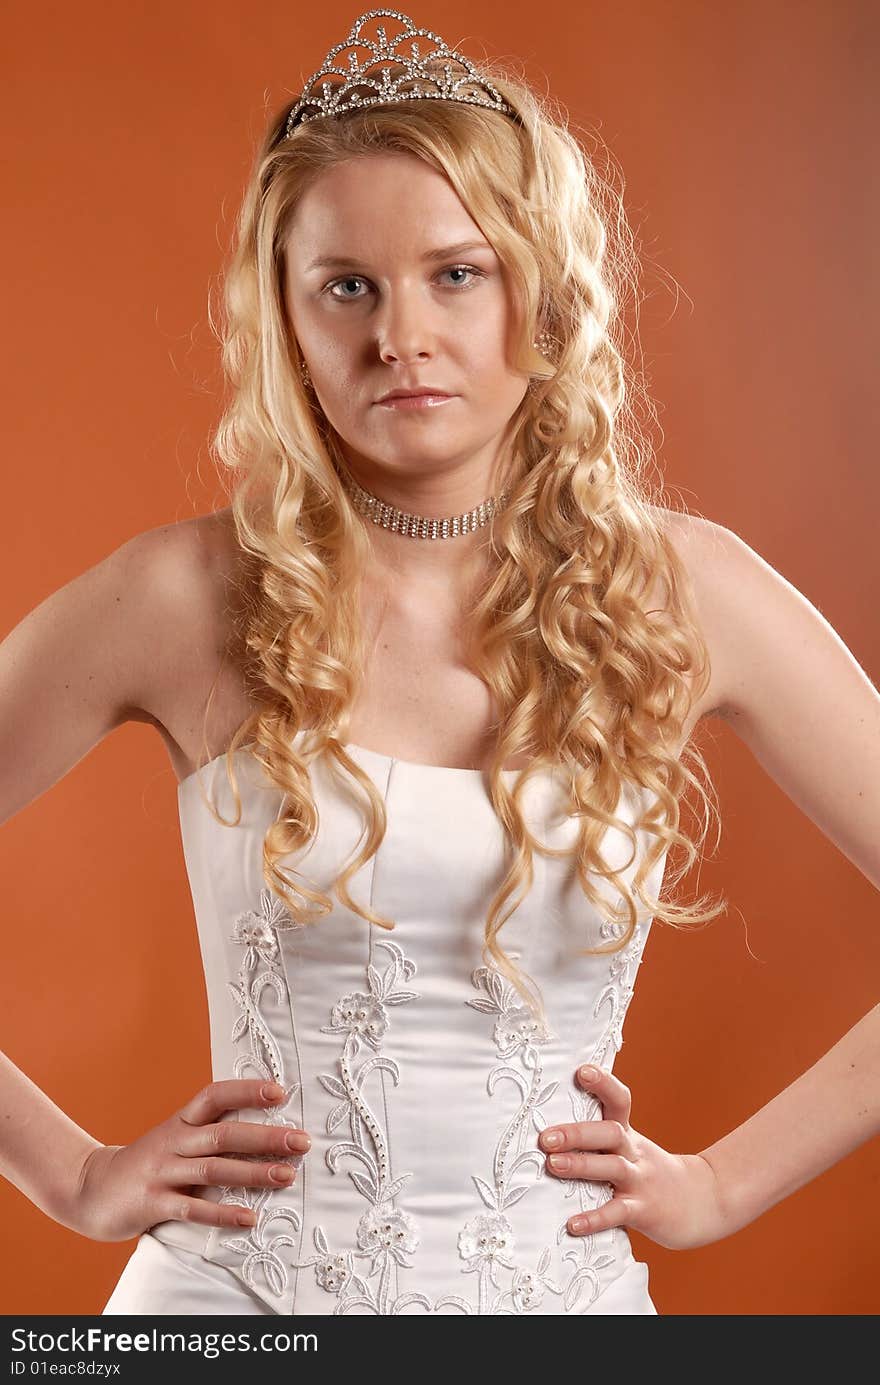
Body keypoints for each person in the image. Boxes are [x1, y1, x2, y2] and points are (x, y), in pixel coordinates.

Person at [1, 8, 877, 1317]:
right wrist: (66, 1173)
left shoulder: (691, 594)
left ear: (544, 287)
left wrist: (725, 1186)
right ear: (284, 314)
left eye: (457, 274)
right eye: (346, 284)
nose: (400, 335)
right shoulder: (180, 598)